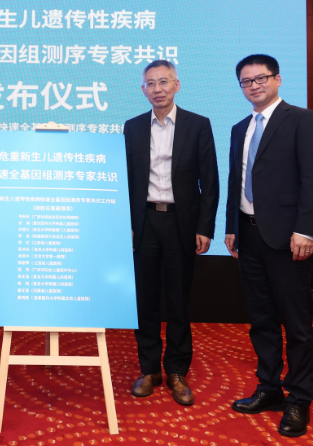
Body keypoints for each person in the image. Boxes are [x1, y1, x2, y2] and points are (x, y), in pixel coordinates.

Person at [224, 54, 313, 437]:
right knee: (262, 320)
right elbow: (236, 179)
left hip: (289, 238)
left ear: (278, 79)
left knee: (297, 325)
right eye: (246, 81)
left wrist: (306, 230)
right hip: (249, 235)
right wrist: (231, 226)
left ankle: (299, 398)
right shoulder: (240, 127)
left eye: (261, 78)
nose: (253, 85)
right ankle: (269, 388)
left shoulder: (302, 119)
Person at [123, 60, 219, 406]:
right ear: (143, 90)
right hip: (145, 222)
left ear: (177, 84)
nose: (158, 89)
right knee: (145, 300)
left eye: (163, 81)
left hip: (181, 222)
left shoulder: (198, 124)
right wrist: (126, 224)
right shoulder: (133, 127)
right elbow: (125, 180)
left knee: (178, 299)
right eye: (150, 83)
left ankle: (177, 370)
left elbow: (210, 181)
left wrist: (205, 227)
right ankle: (149, 369)